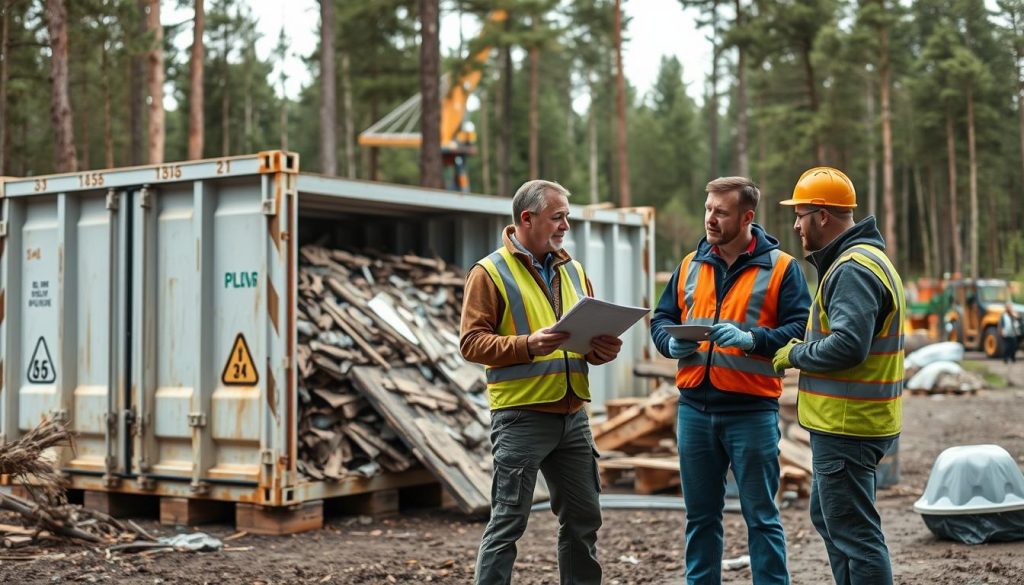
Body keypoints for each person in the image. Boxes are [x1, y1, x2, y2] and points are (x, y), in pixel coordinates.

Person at [460, 179, 622, 585]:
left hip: (573, 416)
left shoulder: (575, 270)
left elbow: (582, 342)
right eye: (557, 217)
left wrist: (599, 351)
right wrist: (528, 345)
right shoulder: (489, 272)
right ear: (526, 219)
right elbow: (471, 343)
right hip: (520, 417)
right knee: (508, 522)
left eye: (566, 216)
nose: (565, 225)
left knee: (584, 518)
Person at [650, 177, 810, 585]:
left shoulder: (783, 269)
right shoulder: (690, 264)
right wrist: (669, 344)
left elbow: (800, 330)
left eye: (721, 212)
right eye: (708, 209)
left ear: (747, 217)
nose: (710, 219)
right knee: (700, 518)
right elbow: (662, 317)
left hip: (751, 412)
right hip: (694, 411)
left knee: (762, 517)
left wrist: (752, 340)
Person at [772, 167, 905, 585]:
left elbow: (849, 346)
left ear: (823, 215)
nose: (795, 224)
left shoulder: (853, 269)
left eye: (801, 213)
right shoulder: (865, 260)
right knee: (830, 519)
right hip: (854, 421)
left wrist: (796, 354)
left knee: (855, 535)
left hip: (849, 424)